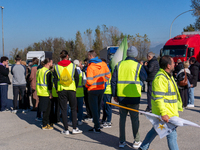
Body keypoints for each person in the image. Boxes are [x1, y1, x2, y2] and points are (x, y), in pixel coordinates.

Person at [139, 55, 183, 150]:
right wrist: (163, 113)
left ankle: (142, 147)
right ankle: (143, 147)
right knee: (172, 136)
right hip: (166, 113)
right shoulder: (161, 78)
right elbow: (159, 98)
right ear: (168, 66)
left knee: (155, 130)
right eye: (173, 63)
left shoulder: (168, 76)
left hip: (169, 112)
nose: (175, 64)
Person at [111, 46, 147, 149]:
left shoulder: (119, 65)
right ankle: (136, 141)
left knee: (122, 119)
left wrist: (115, 95)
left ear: (127, 54)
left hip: (122, 97)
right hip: (134, 97)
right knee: (134, 119)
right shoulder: (138, 66)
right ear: (135, 55)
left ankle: (121, 141)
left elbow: (113, 81)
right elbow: (144, 78)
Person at [53, 50, 82, 135]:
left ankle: (66, 129)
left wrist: (57, 89)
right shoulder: (72, 66)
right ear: (67, 56)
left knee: (64, 109)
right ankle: (74, 128)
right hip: (71, 89)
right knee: (73, 109)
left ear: (60, 57)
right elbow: (77, 77)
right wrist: (75, 87)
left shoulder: (57, 66)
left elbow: (54, 79)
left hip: (62, 89)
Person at [86, 50, 111, 133]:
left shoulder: (90, 66)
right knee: (98, 108)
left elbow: (89, 81)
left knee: (94, 109)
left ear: (90, 55)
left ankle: (96, 126)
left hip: (92, 90)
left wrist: (86, 85)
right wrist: (103, 81)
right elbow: (108, 75)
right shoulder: (103, 64)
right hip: (101, 89)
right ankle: (97, 125)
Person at [36, 58, 53, 130]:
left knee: (43, 109)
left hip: (40, 91)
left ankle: (45, 123)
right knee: (47, 110)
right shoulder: (48, 72)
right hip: (45, 92)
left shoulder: (39, 70)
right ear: (48, 63)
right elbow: (49, 84)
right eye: (52, 62)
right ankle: (45, 124)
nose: (52, 64)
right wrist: (50, 93)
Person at [68, 59, 86, 125]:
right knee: (80, 107)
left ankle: (71, 120)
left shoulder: (71, 72)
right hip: (80, 93)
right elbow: (85, 83)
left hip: (72, 92)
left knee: (71, 107)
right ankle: (79, 120)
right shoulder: (82, 73)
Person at [100, 59, 112, 128]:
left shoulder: (107, 70)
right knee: (104, 107)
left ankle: (108, 121)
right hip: (104, 91)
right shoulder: (105, 69)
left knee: (107, 107)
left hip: (107, 91)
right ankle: (104, 120)